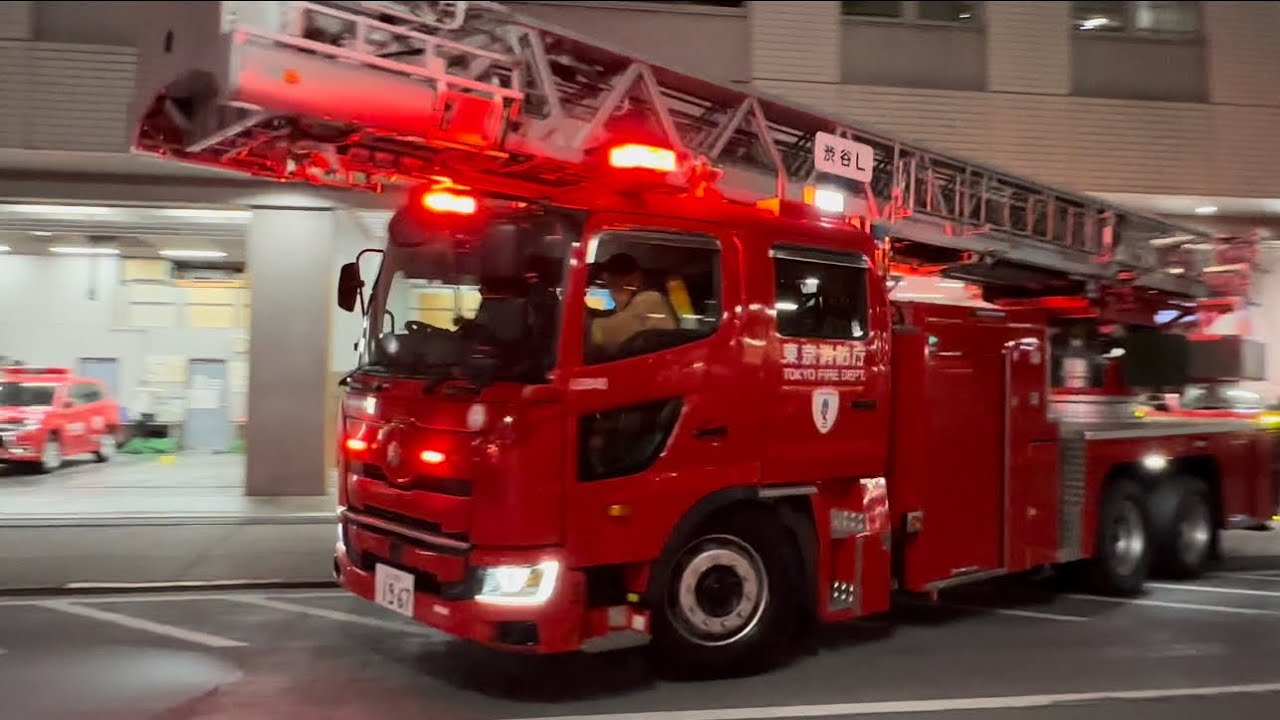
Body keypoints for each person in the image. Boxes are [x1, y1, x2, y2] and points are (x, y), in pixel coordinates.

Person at [588, 252, 677, 353]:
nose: (611, 293)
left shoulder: (650, 299)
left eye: (613, 285)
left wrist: (584, 324)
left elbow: (611, 331)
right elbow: (611, 315)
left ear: (633, 280)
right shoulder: (633, 305)